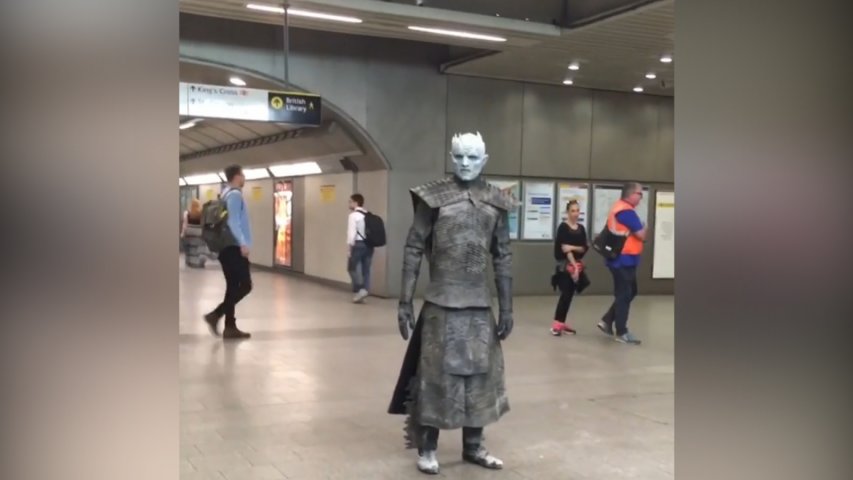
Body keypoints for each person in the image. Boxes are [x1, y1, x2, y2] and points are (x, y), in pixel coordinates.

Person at [388, 132, 513, 475]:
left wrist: (507, 306)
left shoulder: (496, 201)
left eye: (473, 158)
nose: (466, 164)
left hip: (477, 304)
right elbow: (414, 248)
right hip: (442, 302)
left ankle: (474, 445)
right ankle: (427, 448)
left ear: (484, 160)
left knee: (479, 378)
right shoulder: (433, 198)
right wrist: (404, 302)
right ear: (451, 157)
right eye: (460, 157)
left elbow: (502, 256)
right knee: (434, 377)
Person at [203, 165, 252, 340]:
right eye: (242, 174)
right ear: (237, 176)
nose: (244, 177)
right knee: (246, 285)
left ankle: (230, 327)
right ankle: (215, 315)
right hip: (233, 247)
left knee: (232, 286)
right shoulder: (235, 195)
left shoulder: (224, 193)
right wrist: (243, 244)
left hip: (225, 247)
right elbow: (233, 222)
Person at [597, 182, 646, 345]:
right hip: (623, 259)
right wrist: (643, 228)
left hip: (622, 258)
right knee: (625, 293)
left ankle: (607, 320)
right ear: (631, 194)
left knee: (629, 291)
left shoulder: (619, 208)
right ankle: (622, 331)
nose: (641, 197)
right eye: (640, 193)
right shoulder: (626, 212)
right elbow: (642, 235)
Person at [550, 200, 589, 336]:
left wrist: (572, 247)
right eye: (573, 211)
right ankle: (556, 324)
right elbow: (564, 249)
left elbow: (583, 247)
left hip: (576, 264)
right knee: (565, 293)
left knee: (570, 295)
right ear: (568, 212)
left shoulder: (581, 229)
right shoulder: (563, 228)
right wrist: (574, 266)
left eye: (577, 211)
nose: (575, 214)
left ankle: (561, 322)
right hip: (565, 266)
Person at [347, 193, 373, 303]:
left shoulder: (353, 216)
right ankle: (364, 291)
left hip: (358, 244)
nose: (349, 203)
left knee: (352, 267)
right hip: (369, 245)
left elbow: (351, 234)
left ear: (355, 202)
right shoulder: (368, 214)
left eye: (350, 201)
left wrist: (349, 248)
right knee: (366, 269)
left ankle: (360, 289)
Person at [181, 198, 209, 268]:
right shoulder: (202, 213)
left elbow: (185, 225)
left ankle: (190, 261)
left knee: (189, 248)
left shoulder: (187, 213)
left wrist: (183, 234)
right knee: (199, 248)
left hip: (189, 234)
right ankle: (199, 261)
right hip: (199, 234)